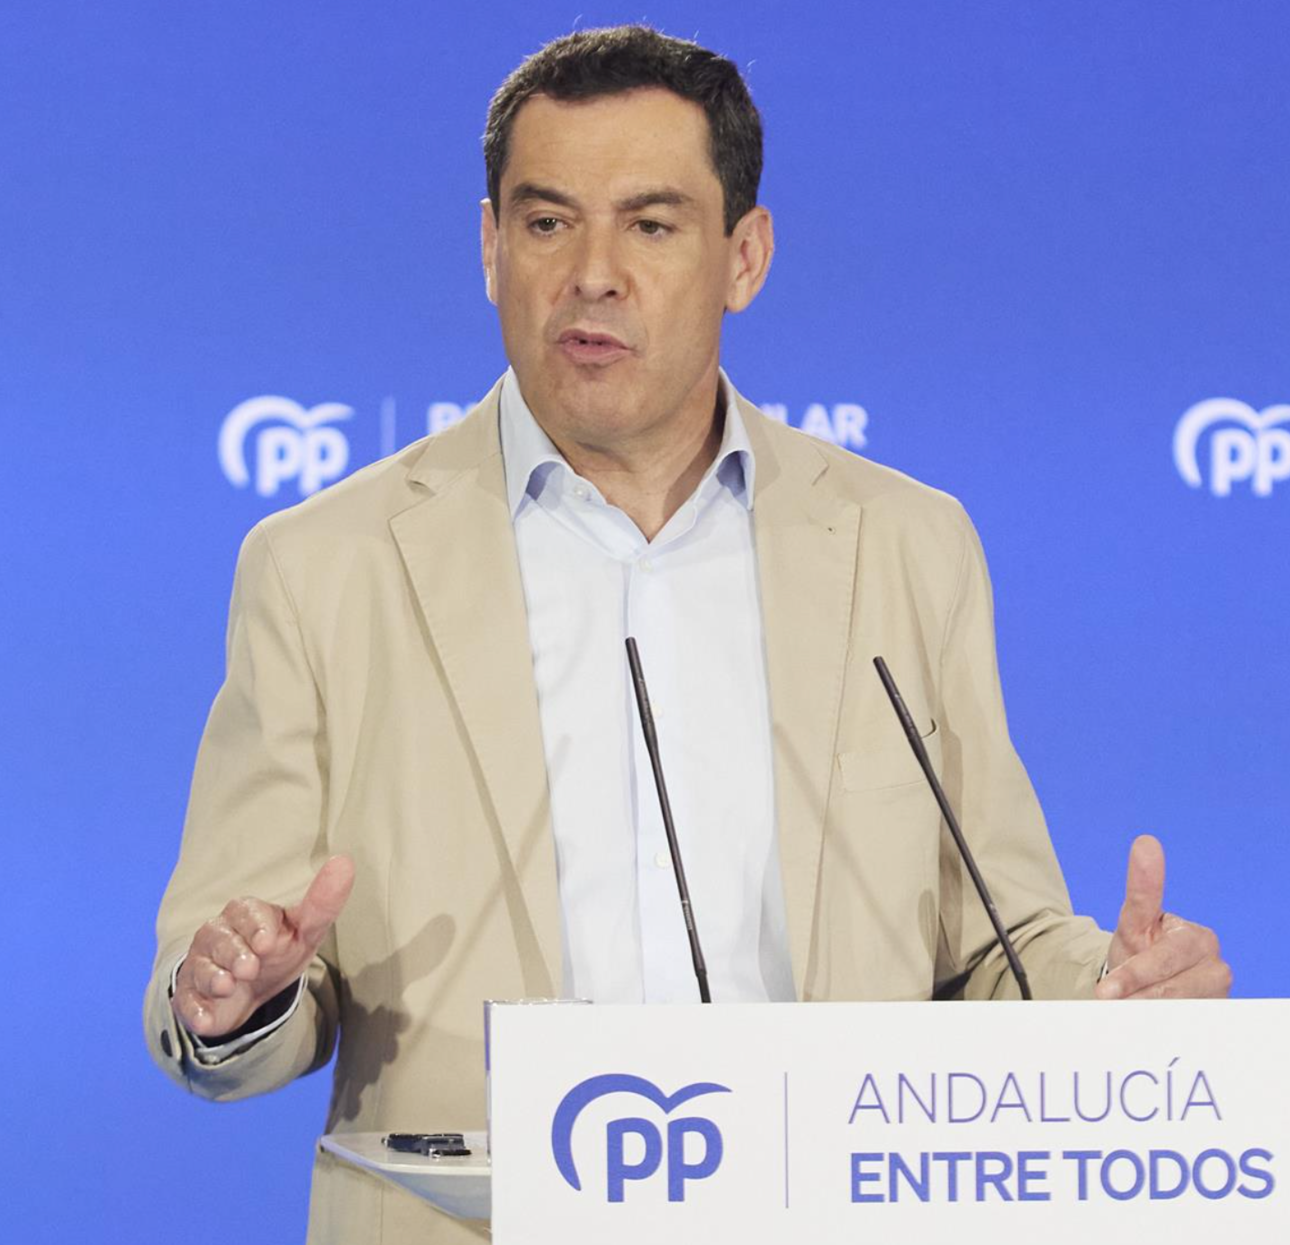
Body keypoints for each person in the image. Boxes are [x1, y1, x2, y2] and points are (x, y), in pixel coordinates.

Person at [143, 24, 1230, 1243]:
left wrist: (1111, 988)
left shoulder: (904, 545)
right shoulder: (322, 568)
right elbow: (227, 987)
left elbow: (995, 944)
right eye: (547, 223)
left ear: (743, 257)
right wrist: (235, 992)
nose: (592, 275)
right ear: (490, 248)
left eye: (651, 226)